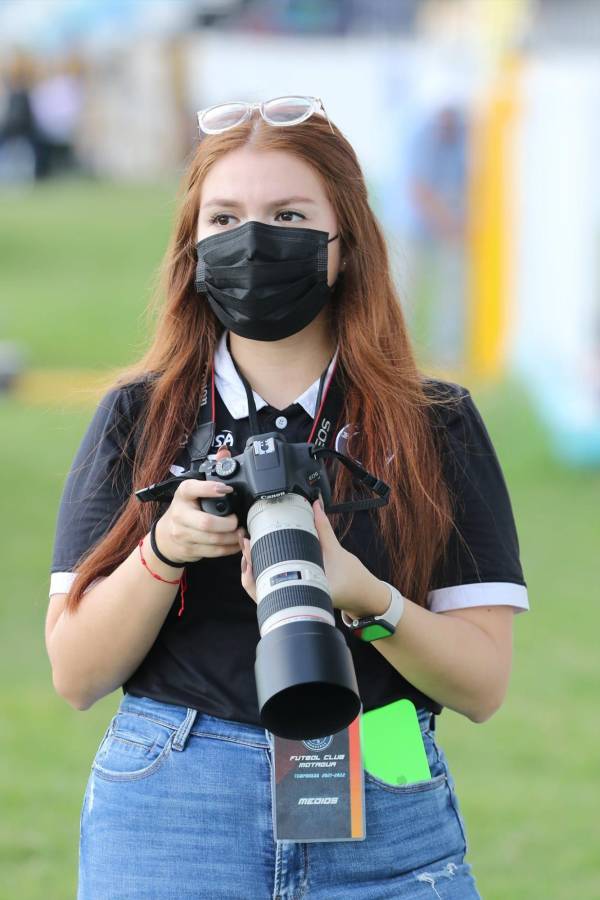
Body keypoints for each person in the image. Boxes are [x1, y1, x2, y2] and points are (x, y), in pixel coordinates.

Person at [46, 96, 529, 899]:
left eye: (288, 214)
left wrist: (366, 597)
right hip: (176, 791)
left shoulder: (432, 424)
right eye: (224, 217)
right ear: (193, 247)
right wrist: (164, 550)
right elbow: (75, 673)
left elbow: (481, 685)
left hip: (384, 765)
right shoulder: (142, 414)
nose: (252, 240)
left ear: (343, 245)